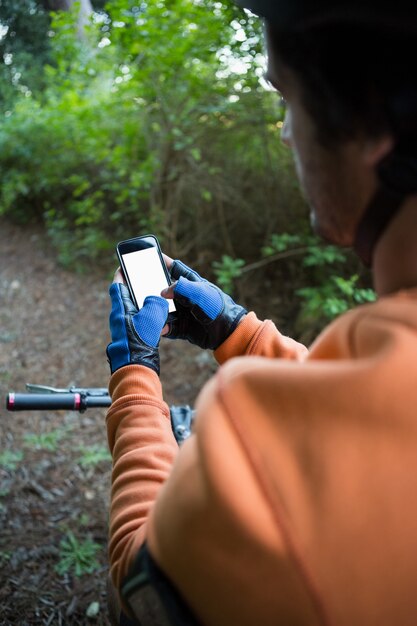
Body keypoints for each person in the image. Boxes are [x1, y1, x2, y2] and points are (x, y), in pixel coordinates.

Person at [106, 1, 417, 624]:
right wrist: (241, 333)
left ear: (368, 112)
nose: (283, 132)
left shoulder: (262, 459)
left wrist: (135, 377)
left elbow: (137, 586)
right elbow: (368, 410)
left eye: (287, 100)